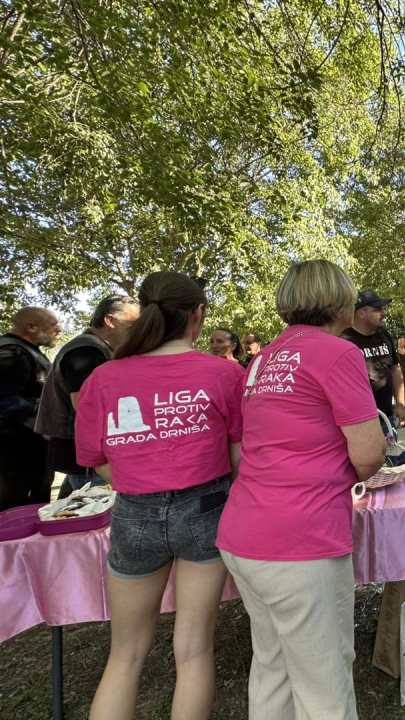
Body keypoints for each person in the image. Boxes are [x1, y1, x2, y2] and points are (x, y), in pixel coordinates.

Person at [217, 260, 386, 720]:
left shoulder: (263, 357)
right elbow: (369, 454)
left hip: (245, 531)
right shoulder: (337, 352)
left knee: (273, 665)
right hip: (300, 540)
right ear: (339, 302)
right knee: (324, 680)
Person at [75, 272, 245, 720]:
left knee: (125, 655)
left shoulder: (103, 378)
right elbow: (238, 459)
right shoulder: (225, 373)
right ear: (198, 315)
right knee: (193, 650)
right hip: (206, 507)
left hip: (134, 512)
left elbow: (100, 461)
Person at [36, 294, 140, 498]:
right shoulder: (87, 351)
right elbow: (87, 407)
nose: (138, 330)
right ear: (110, 321)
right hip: (89, 459)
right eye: (133, 324)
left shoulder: (97, 348)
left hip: (81, 456)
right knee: (98, 513)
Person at [0, 307, 61, 508]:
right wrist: (39, 424)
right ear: (31, 327)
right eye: (53, 325)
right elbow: (5, 398)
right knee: (15, 508)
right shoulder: (12, 352)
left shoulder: (26, 351)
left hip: (31, 449)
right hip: (16, 453)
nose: (59, 329)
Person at [341, 290, 405, 429]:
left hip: (386, 419)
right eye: (377, 309)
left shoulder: (383, 334)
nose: (384, 313)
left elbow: (395, 368)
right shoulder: (343, 340)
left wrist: (400, 404)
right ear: (361, 313)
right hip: (358, 423)